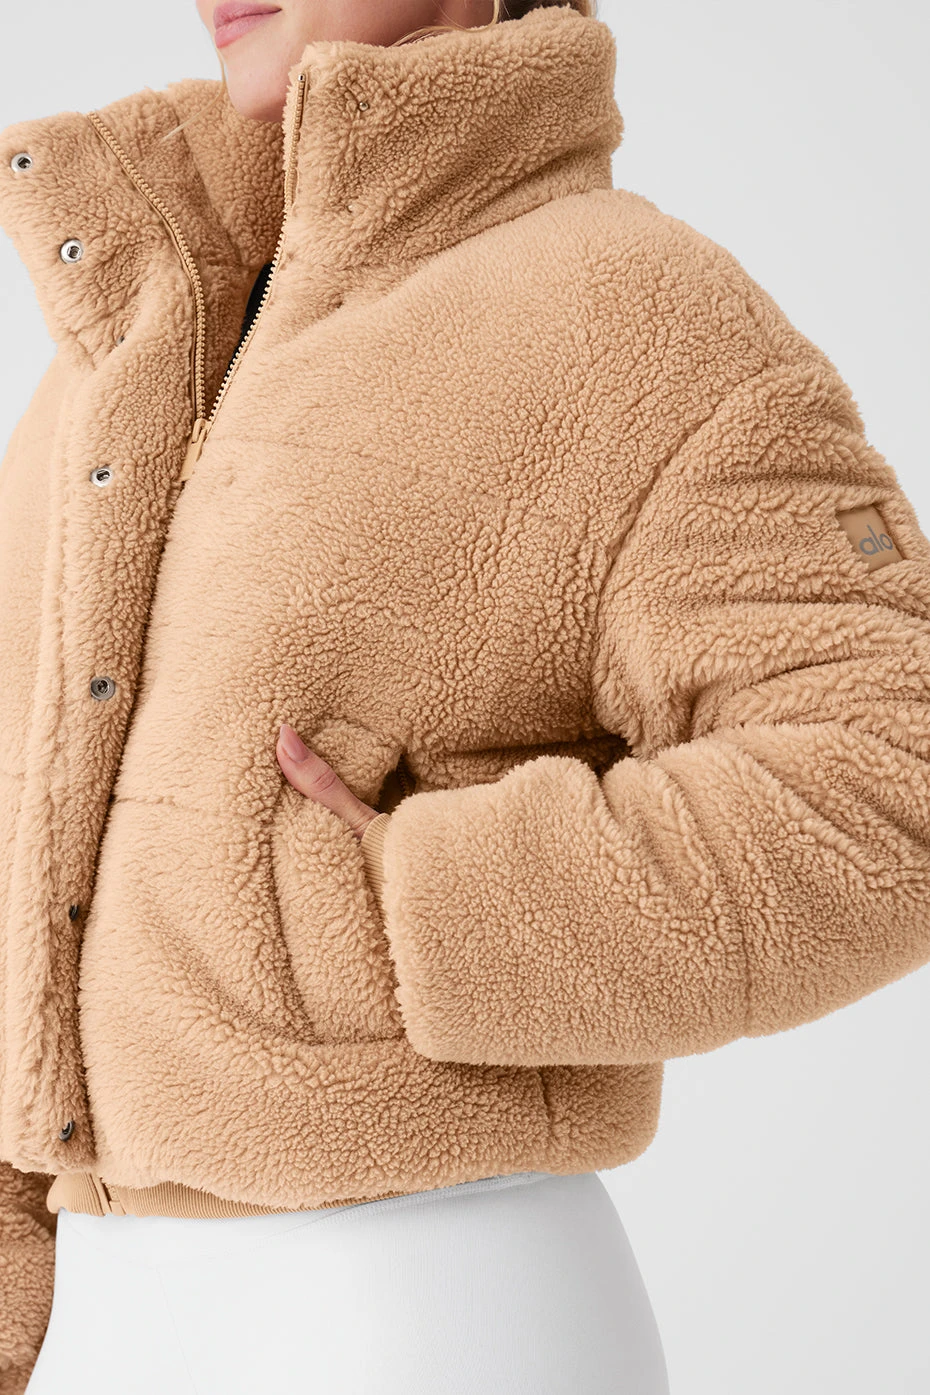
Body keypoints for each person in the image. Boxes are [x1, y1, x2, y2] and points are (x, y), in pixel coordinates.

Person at [1, 0, 928, 1389]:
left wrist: (420, 899)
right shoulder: (137, 331)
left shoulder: (635, 311)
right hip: (111, 1318)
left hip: (429, 1303)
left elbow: (891, 773)